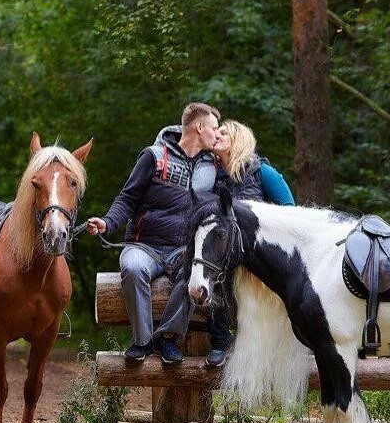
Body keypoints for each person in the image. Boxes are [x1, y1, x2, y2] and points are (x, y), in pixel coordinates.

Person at [86, 103, 221, 364]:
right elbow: (128, 198)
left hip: (184, 248)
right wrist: (107, 222)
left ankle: (167, 338)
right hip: (144, 245)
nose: (217, 134)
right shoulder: (154, 156)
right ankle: (143, 341)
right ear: (200, 127)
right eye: (214, 128)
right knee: (133, 267)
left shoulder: (215, 166)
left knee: (195, 274)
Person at [205, 119, 295, 366]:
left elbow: (290, 211)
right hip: (227, 254)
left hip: (260, 253)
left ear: (238, 139)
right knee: (212, 272)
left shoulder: (262, 172)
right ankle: (220, 341)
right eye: (216, 131)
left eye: (224, 132)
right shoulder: (212, 177)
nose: (217, 135)